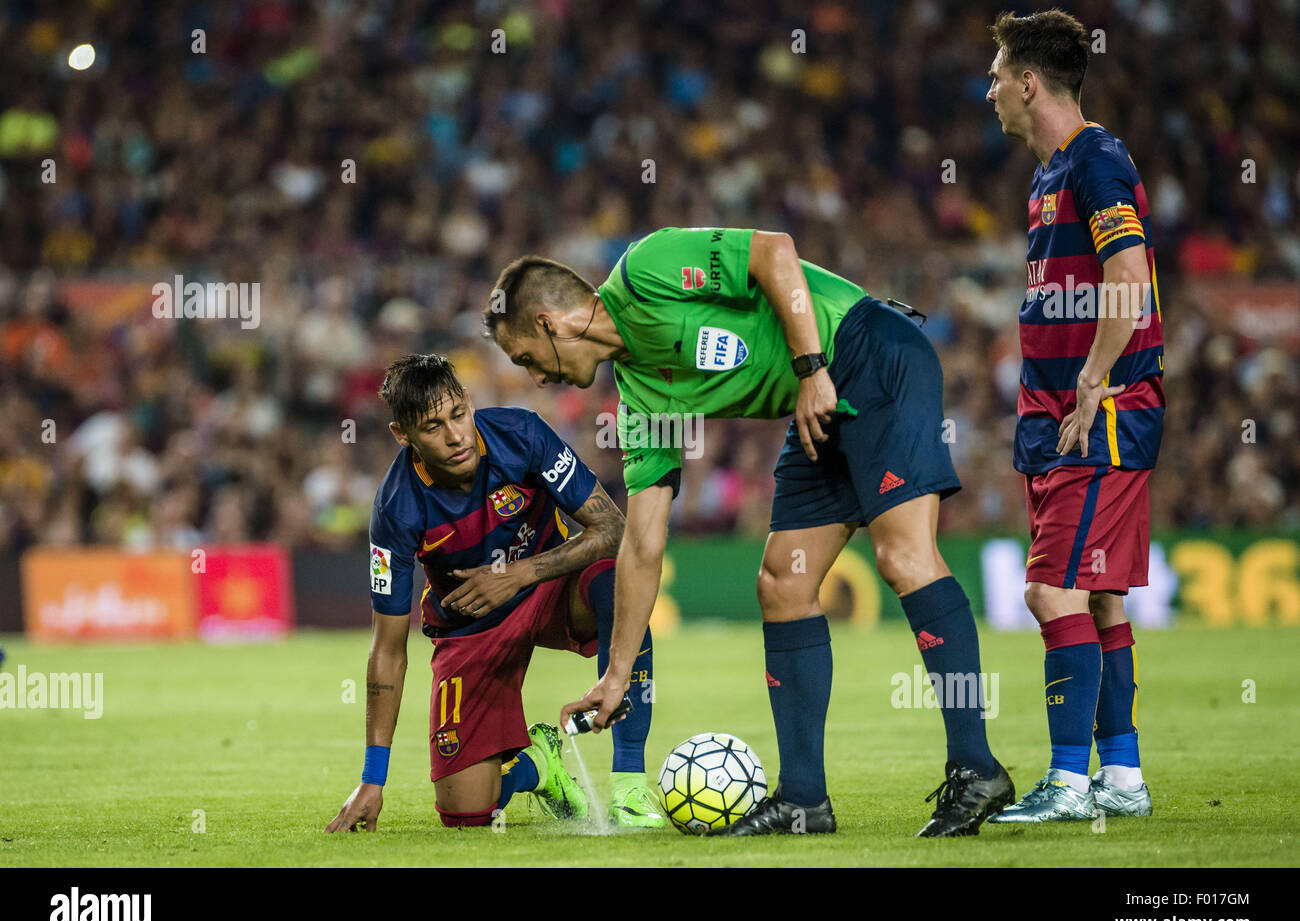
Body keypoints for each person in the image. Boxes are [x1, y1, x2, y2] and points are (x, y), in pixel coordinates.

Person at [483, 228, 1013, 837]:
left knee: (903, 557)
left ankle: (976, 768)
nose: (534, 377)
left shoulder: (647, 270)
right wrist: (617, 674)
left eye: (525, 357)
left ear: (550, 323)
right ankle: (803, 800)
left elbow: (774, 252)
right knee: (781, 583)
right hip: (817, 404)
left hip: (868, 352)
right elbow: (643, 542)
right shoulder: (641, 397)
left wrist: (812, 369)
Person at [325, 354, 663, 833]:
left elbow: (612, 528)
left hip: (548, 590)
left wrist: (519, 573)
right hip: (470, 628)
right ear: (403, 435)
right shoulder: (396, 508)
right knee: (466, 814)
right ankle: (541, 765)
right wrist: (371, 778)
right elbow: (387, 651)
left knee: (619, 581)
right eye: (432, 427)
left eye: (458, 415)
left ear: (468, 401)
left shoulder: (522, 435)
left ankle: (629, 784)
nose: (455, 435)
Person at [983, 9, 1162, 823]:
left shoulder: (1097, 159)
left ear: (1028, 82)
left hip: (1098, 414)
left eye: (996, 74)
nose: (988, 89)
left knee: (1049, 594)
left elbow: (1127, 273)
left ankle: (1066, 779)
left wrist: (1094, 379)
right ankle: (1120, 776)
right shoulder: (1049, 174)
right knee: (1100, 598)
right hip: (1057, 413)